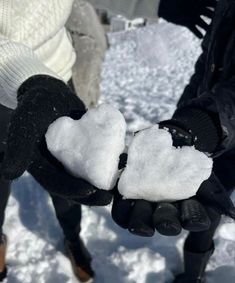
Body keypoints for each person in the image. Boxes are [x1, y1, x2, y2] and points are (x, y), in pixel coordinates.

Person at [0, 0, 216, 282]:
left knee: (69, 178)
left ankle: (73, 238)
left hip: (54, 78)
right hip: (10, 79)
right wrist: (18, 69)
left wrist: (152, 2)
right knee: (4, 168)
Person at [112, 0, 235, 282]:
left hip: (217, 125)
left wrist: (202, 124)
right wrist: (181, 122)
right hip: (212, 124)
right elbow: (206, 66)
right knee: (205, 209)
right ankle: (193, 274)